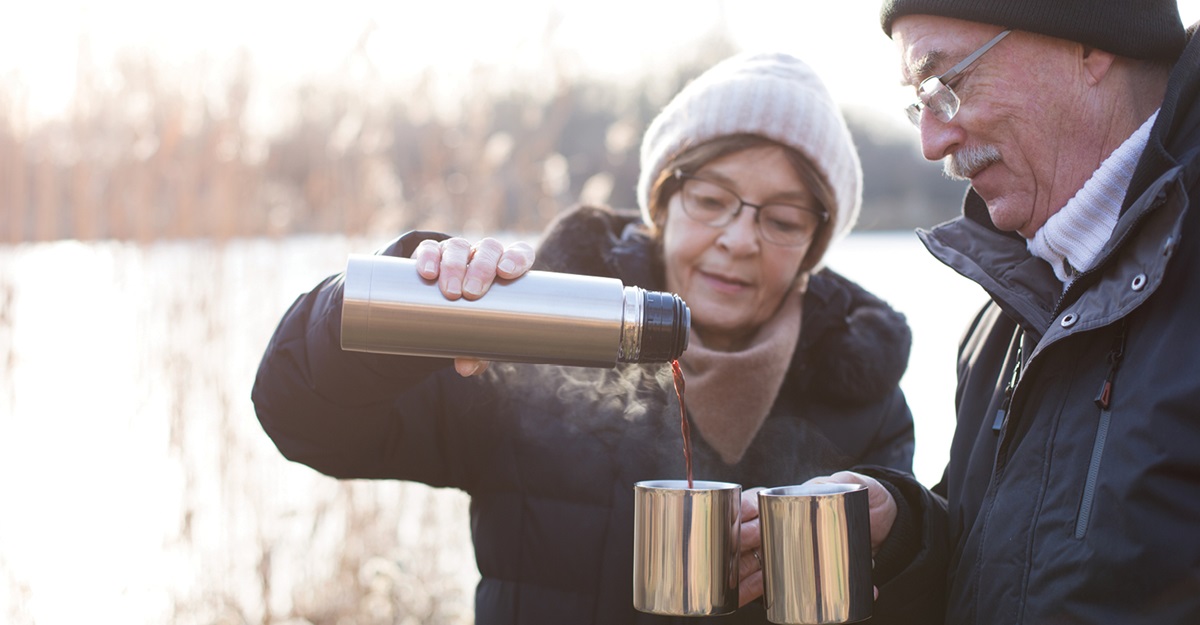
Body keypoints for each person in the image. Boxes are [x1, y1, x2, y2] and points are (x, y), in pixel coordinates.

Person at [252, 51, 916, 624]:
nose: (739, 240)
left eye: (783, 218)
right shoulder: (532, 333)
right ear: (662, 202)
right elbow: (302, 418)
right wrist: (417, 299)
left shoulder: (860, 391)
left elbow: (925, 590)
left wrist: (898, 536)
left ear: (813, 246)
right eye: (711, 200)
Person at [735, 1, 1200, 623]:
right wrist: (904, 537)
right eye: (918, 101)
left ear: (1091, 44)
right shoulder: (1008, 312)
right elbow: (1012, 563)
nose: (931, 141)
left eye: (947, 83)